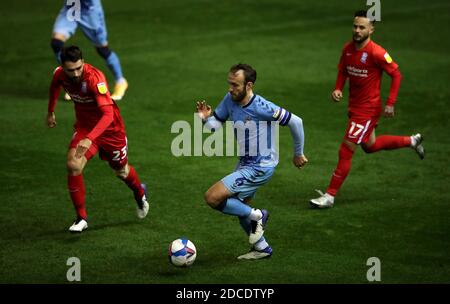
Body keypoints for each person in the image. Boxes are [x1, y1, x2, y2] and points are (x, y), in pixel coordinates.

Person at [310, 10, 425, 209]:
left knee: (345, 149)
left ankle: (329, 196)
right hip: (355, 108)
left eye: (362, 27)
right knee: (369, 146)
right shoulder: (347, 49)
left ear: (371, 29)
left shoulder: (377, 53)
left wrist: (390, 102)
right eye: (355, 26)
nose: (357, 30)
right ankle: (412, 141)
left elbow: (396, 75)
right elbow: (342, 71)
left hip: (368, 109)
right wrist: (338, 88)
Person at [196, 64, 308, 260]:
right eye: (229, 84)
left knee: (212, 197)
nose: (231, 89)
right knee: (240, 207)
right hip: (245, 163)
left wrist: (298, 153)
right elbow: (214, 126)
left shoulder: (261, 107)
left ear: (249, 85)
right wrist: (205, 119)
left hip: (260, 166)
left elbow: (295, 121)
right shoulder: (230, 99)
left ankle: (259, 215)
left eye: (235, 85)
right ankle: (261, 248)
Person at [46, 46, 148, 232]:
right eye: (71, 70)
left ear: (83, 62)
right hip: (85, 128)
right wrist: (51, 111)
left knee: (121, 172)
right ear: (62, 66)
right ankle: (81, 218)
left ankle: (140, 193)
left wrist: (89, 139)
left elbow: (108, 115)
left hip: (110, 131)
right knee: (73, 165)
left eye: (79, 68)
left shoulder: (95, 78)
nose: (76, 74)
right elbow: (54, 87)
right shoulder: (60, 74)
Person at [50, 0, 128, 101]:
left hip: (89, 10)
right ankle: (73, 83)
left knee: (102, 49)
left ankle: (121, 81)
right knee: (56, 43)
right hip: (72, 6)